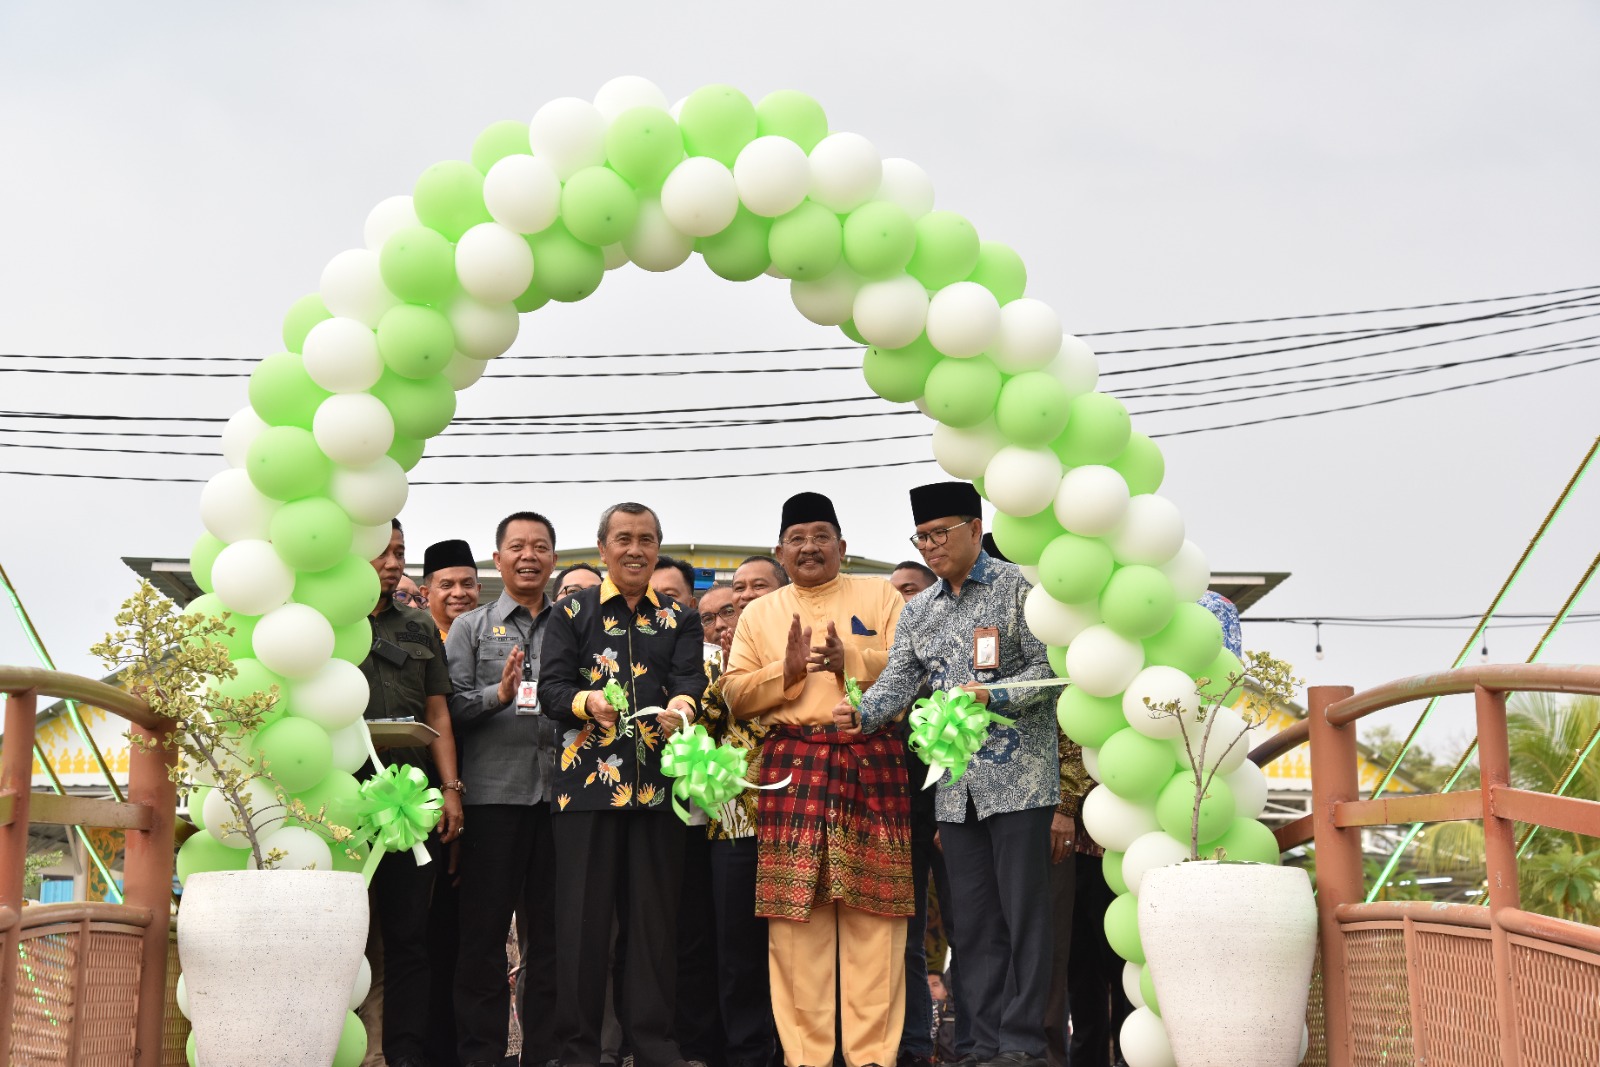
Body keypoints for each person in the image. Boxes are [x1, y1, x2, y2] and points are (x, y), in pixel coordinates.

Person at [855, 482, 1057, 1067]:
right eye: (921, 536)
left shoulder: (1022, 589)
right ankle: (977, 1043)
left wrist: (990, 695)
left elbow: (1051, 671)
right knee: (970, 924)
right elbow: (896, 679)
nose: (930, 546)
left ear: (975, 527)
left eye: (940, 533)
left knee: (1023, 917)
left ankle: (1021, 1041)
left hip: (1019, 780)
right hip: (954, 787)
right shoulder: (921, 609)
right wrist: (860, 714)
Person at [723, 491, 910, 1067]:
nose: (809, 547)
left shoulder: (879, 595)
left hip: (870, 760)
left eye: (821, 536)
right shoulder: (760, 612)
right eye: (798, 539)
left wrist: (850, 656)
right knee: (795, 923)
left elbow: (913, 668)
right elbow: (734, 696)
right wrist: (791, 668)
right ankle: (805, 1059)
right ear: (781, 550)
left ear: (842, 546)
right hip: (795, 767)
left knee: (875, 922)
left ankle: (874, 1059)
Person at [539, 502, 708, 1067]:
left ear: (659, 546)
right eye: (624, 538)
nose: (635, 549)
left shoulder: (680, 618)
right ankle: (578, 1050)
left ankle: (655, 1047)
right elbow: (551, 691)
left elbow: (690, 683)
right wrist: (588, 703)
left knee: (654, 928)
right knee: (583, 927)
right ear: (603, 547)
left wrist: (682, 708)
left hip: (660, 791)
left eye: (647, 539)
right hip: (585, 789)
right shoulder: (571, 612)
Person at [445, 512, 562, 1067]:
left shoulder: (572, 625)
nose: (529, 555)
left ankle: (542, 1055)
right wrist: (500, 692)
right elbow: (449, 710)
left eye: (540, 546)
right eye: (517, 546)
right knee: (482, 941)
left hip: (559, 802)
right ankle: (481, 1056)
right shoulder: (471, 627)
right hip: (493, 801)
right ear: (498, 560)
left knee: (551, 944)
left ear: (553, 559)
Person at [360, 518, 466, 1067]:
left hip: (410, 801)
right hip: (342, 803)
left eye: (399, 551)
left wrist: (451, 791)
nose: (393, 561)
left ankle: (403, 1055)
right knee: (345, 935)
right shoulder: (324, 622)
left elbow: (438, 711)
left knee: (408, 937)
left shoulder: (420, 625)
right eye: (382, 551)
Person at [697, 570, 785, 1067]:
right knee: (737, 955)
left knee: (796, 951)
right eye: (708, 617)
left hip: (797, 820)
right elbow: (702, 724)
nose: (719, 623)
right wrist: (727, 667)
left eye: (727, 611)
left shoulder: (794, 652)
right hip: (731, 825)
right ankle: (747, 1055)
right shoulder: (706, 672)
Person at [1043, 731, 1092, 1067]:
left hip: (1055, 820)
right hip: (988, 813)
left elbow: (1075, 738)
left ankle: (1049, 1055)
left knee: (1054, 949)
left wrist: (1065, 807)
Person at [422, 538, 481, 641]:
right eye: (446, 585)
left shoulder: (494, 639)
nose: (459, 593)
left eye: (467, 584)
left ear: (478, 589)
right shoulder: (418, 642)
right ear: (426, 594)